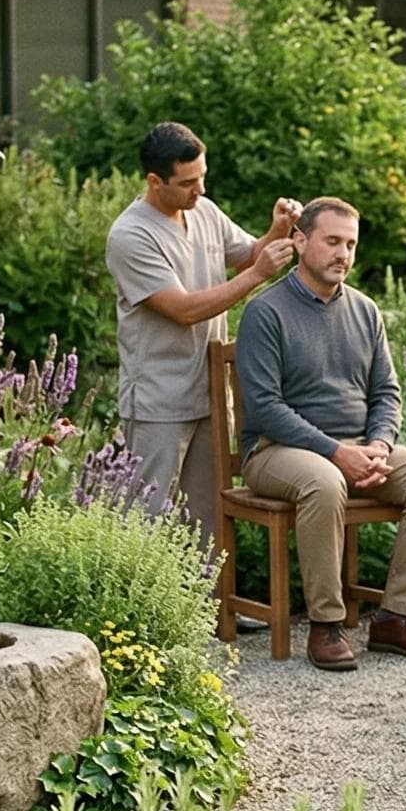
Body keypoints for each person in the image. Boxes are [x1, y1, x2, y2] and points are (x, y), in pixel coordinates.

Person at [234, 198, 406, 671]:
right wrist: (337, 452)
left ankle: (396, 618)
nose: (343, 254)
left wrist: (379, 445)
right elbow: (265, 408)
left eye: (351, 244)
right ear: (299, 241)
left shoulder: (365, 310)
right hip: (277, 452)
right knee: (324, 480)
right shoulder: (265, 312)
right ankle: (326, 624)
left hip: (356, 447)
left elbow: (387, 392)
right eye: (333, 241)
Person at [106, 120, 298, 559]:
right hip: (157, 398)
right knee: (147, 515)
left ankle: (212, 614)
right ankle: (143, 621)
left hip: (209, 392)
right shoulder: (130, 236)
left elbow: (250, 253)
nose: (201, 190)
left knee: (207, 515)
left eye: (203, 177)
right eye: (188, 182)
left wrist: (278, 229)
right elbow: (184, 309)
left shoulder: (204, 212)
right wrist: (257, 274)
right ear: (155, 181)